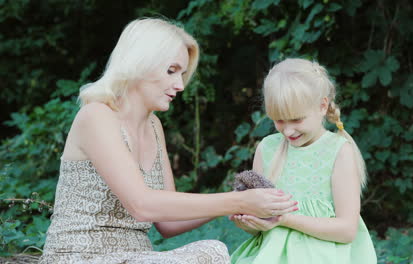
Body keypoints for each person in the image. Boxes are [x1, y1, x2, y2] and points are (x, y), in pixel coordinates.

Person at [38, 18, 297, 264]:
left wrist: (239, 199)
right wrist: (238, 201)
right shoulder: (96, 116)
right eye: (171, 71)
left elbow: (168, 223)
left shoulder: (153, 125)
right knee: (210, 252)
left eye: (182, 74)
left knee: (210, 249)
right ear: (139, 63)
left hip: (137, 257)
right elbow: (142, 205)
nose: (180, 85)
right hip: (79, 256)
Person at [230, 58, 377, 263]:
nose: (288, 130)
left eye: (297, 119)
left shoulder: (338, 152)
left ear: (322, 106)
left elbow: (346, 230)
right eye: (279, 120)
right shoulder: (267, 148)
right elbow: (262, 229)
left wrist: (284, 219)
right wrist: (249, 222)